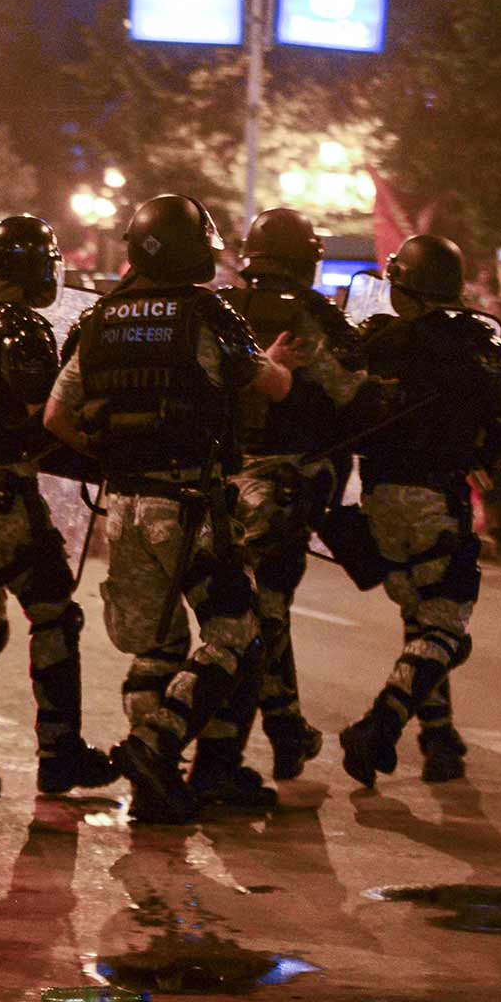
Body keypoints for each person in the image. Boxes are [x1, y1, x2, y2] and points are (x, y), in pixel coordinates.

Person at [44, 194, 295, 825]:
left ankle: (154, 786)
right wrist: (283, 365)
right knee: (236, 632)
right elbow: (269, 385)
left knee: (156, 644)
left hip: (123, 505)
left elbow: (56, 416)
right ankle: (155, 746)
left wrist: (112, 455)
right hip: (186, 507)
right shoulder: (206, 313)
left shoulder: (100, 319)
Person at [194, 208, 388, 795]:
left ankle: (284, 728)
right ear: (307, 257)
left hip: (219, 483)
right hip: (287, 484)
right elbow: (356, 398)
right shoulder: (313, 316)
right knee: (264, 613)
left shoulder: (221, 308)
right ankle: (231, 751)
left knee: (261, 611)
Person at [0, 213, 115, 800]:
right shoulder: (22, 328)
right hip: (4, 499)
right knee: (55, 615)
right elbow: (44, 413)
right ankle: (60, 753)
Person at [341, 235, 501, 786]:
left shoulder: (374, 343)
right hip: (436, 498)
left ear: (402, 285)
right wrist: (480, 465)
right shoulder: (476, 345)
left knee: (420, 619)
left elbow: (343, 407)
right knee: (446, 625)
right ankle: (382, 723)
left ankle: (439, 738)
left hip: (379, 498)